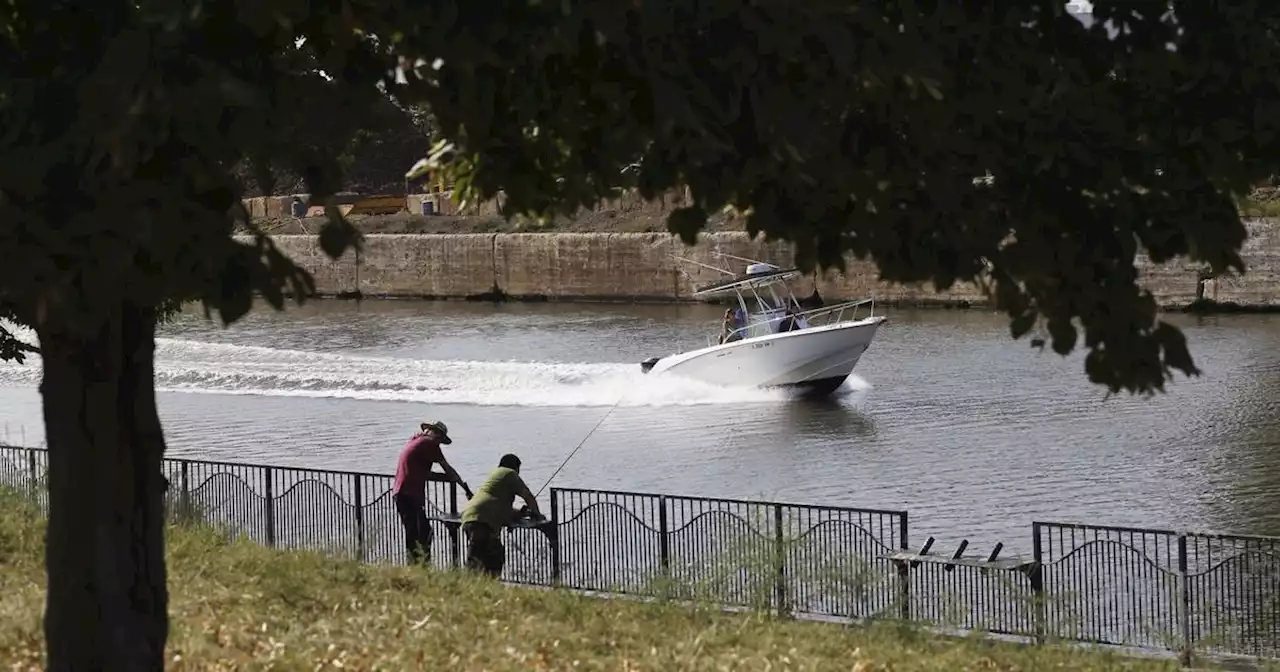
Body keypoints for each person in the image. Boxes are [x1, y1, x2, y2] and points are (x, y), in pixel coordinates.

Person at [392, 420, 473, 565]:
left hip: (401, 492)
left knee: (417, 532)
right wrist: (464, 487)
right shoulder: (430, 444)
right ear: (434, 433)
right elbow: (448, 468)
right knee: (420, 533)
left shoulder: (414, 440)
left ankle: (417, 565)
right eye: (439, 438)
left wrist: (445, 478)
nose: (439, 442)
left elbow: (423, 472)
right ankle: (419, 566)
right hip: (409, 494)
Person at [460, 453, 541, 578]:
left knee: (487, 556)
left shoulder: (495, 477)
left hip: (470, 517)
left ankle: (482, 587)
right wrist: (537, 514)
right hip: (482, 521)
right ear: (515, 467)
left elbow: (496, 505)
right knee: (483, 560)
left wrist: (520, 513)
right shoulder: (510, 473)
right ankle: (474, 588)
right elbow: (528, 496)